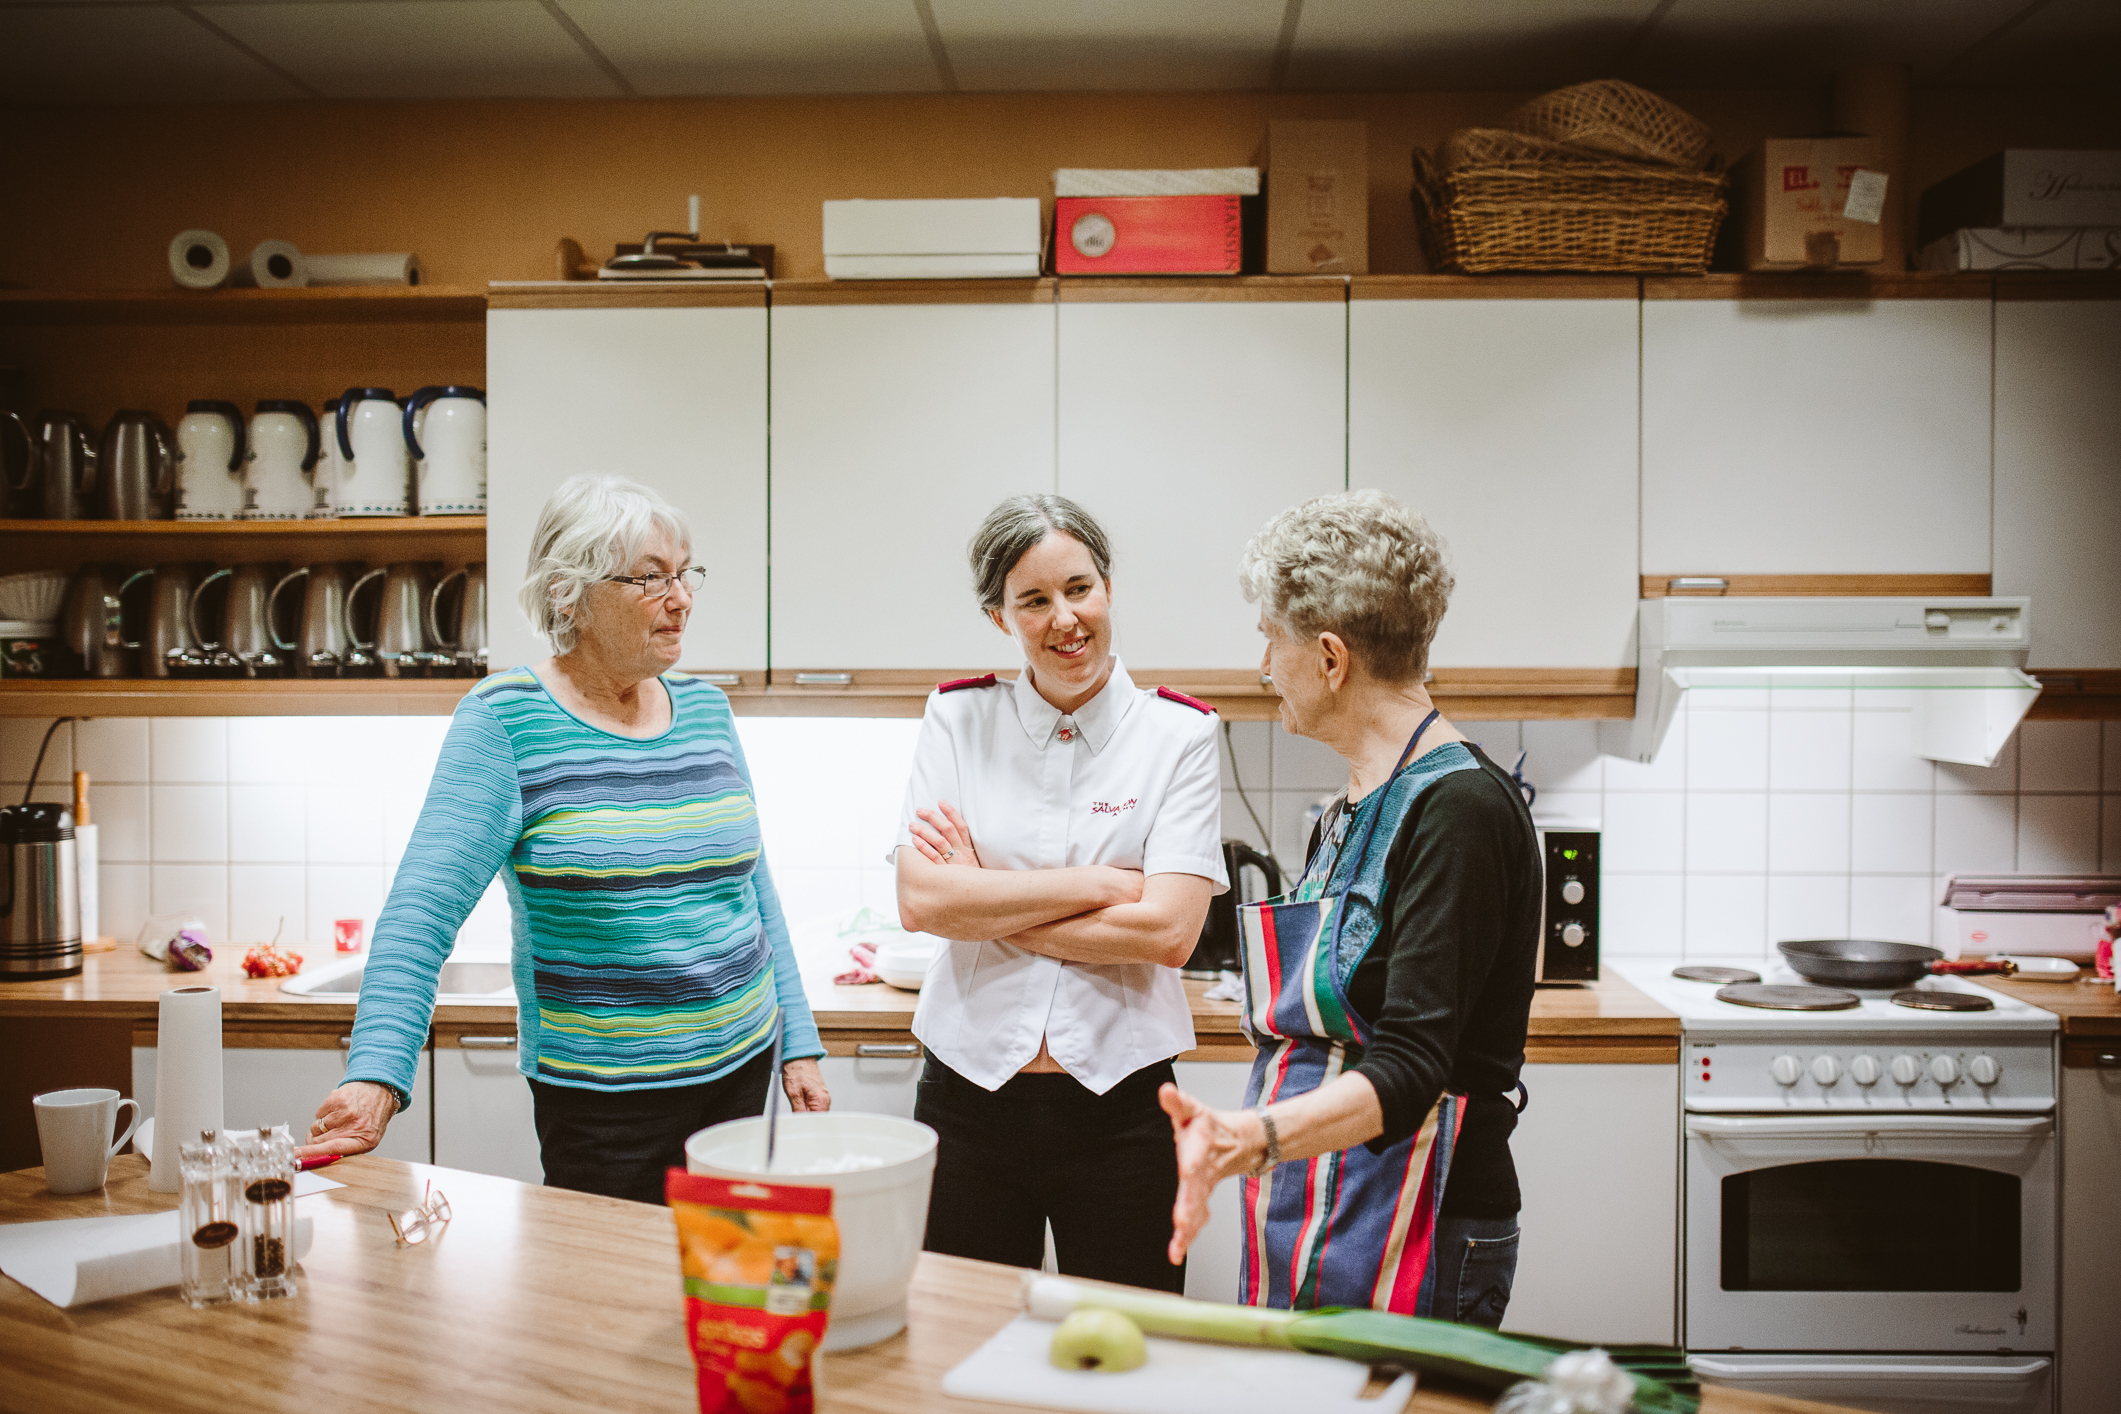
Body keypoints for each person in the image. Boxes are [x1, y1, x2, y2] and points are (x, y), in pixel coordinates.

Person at [301, 473, 829, 1201]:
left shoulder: (706, 710)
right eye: (650, 579)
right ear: (568, 593)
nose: (681, 599)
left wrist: (796, 1041)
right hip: (607, 1103)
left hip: (742, 1069)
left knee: (726, 1285)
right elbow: (420, 914)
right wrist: (376, 1074)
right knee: (606, 1300)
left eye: (683, 574)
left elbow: (752, 888)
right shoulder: (506, 722)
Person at [1160, 489, 1540, 1324]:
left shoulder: (1460, 811)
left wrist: (1243, 1139)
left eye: (1271, 639)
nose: (1264, 666)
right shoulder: (1352, 805)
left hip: (1425, 1224)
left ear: (1330, 658)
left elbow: (1410, 1068)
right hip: (1332, 1202)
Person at [894, 493, 1226, 1293]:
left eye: (1078, 588)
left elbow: (1167, 935)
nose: (1063, 619)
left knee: (1127, 1342)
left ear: (1107, 587)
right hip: (967, 1099)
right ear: (998, 616)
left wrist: (987, 897)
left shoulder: (1179, 736)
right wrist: (1092, 887)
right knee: (957, 1343)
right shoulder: (957, 717)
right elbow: (922, 904)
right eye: (1033, 600)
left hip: (1123, 1107)